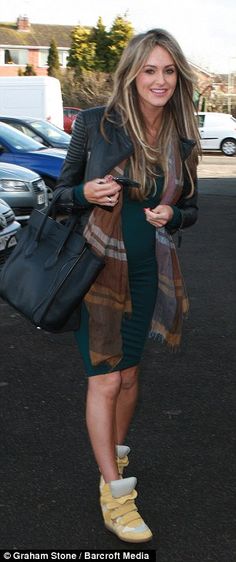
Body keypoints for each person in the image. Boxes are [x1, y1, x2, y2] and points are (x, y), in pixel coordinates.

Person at [55, 28, 201, 543]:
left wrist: (173, 213)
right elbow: (58, 197)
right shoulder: (96, 124)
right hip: (95, 270)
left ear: (177, 77)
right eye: (149, 70)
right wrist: (82, 191)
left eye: (167, 71)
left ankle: (110, 454)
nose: (158, 80)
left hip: (148, 274)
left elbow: (193, 209)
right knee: (107, 380)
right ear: (131, 74)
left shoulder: (181, 135)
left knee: (131, 379)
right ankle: (115, 494)